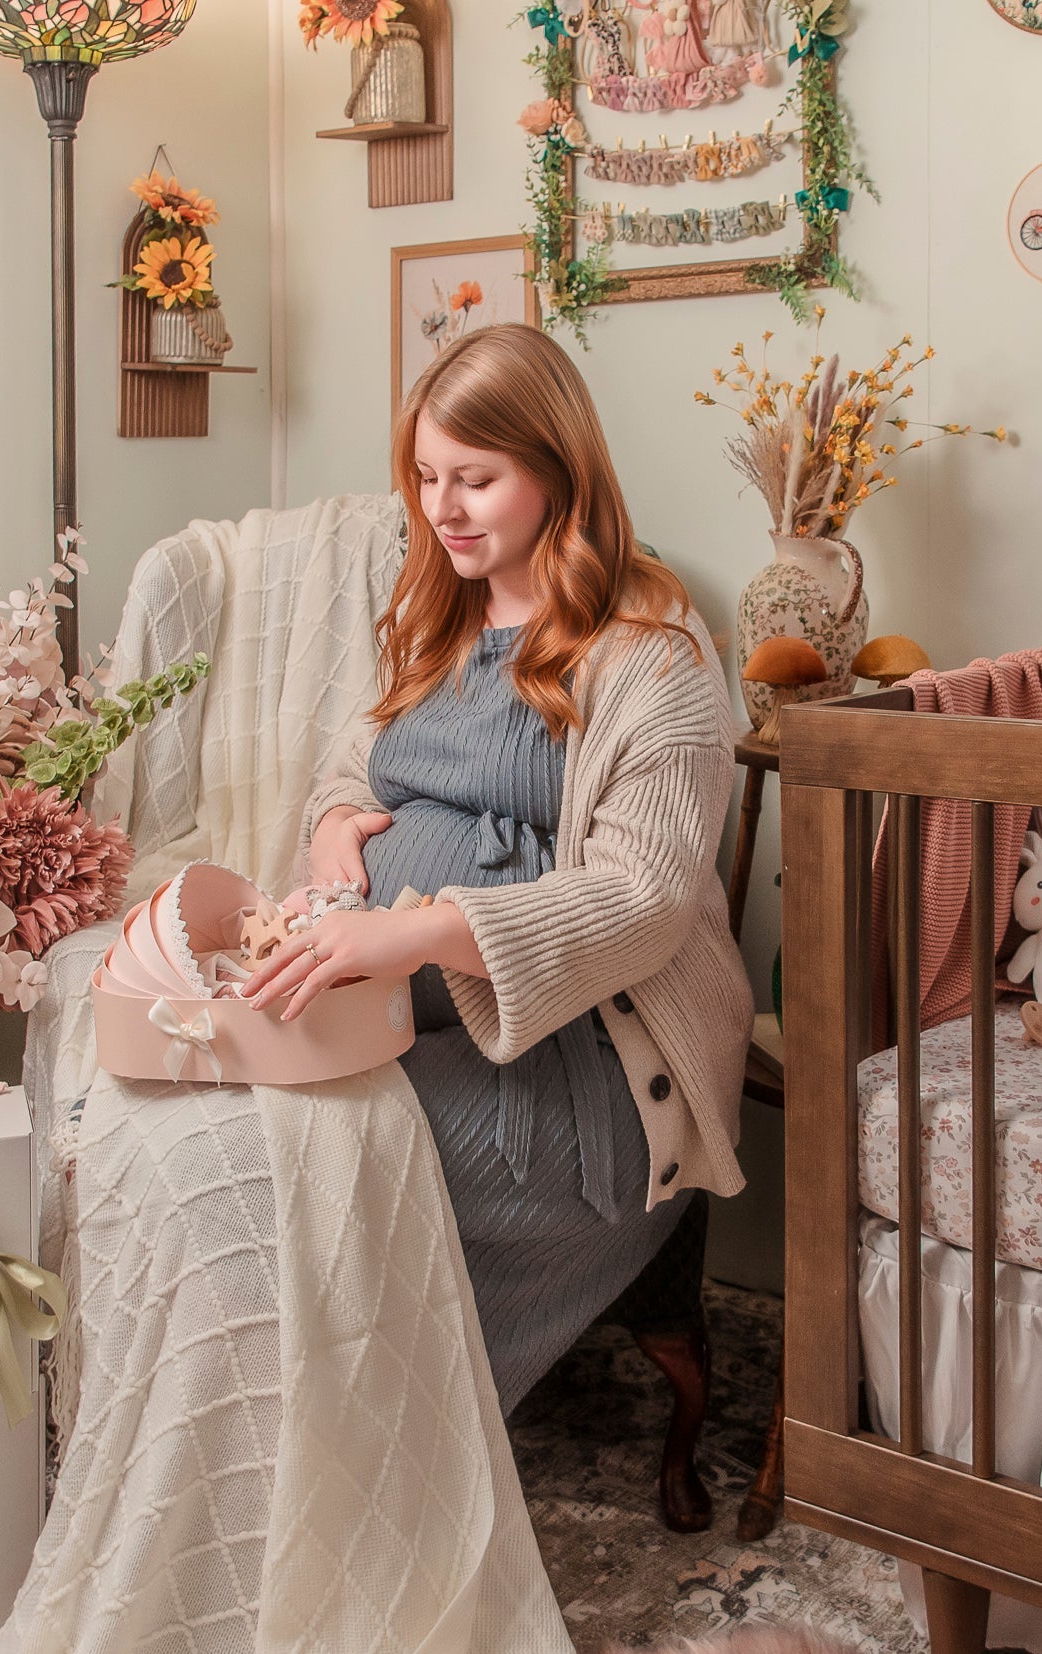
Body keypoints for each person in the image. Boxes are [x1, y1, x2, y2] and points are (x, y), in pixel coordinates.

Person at [245, 322, 753, 1409]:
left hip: (586, 1058)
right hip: (406, 1013)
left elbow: (646, 897)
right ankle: (275, 1437)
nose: (443, 507)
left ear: (558, 472)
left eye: (475, 479)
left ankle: (368, 1447)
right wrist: (336, 827)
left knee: (324, 1159)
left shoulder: (651, 652)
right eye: (426, 476)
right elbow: (356, 763)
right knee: (237, 1140)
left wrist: (421, 929)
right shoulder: (433, 613)